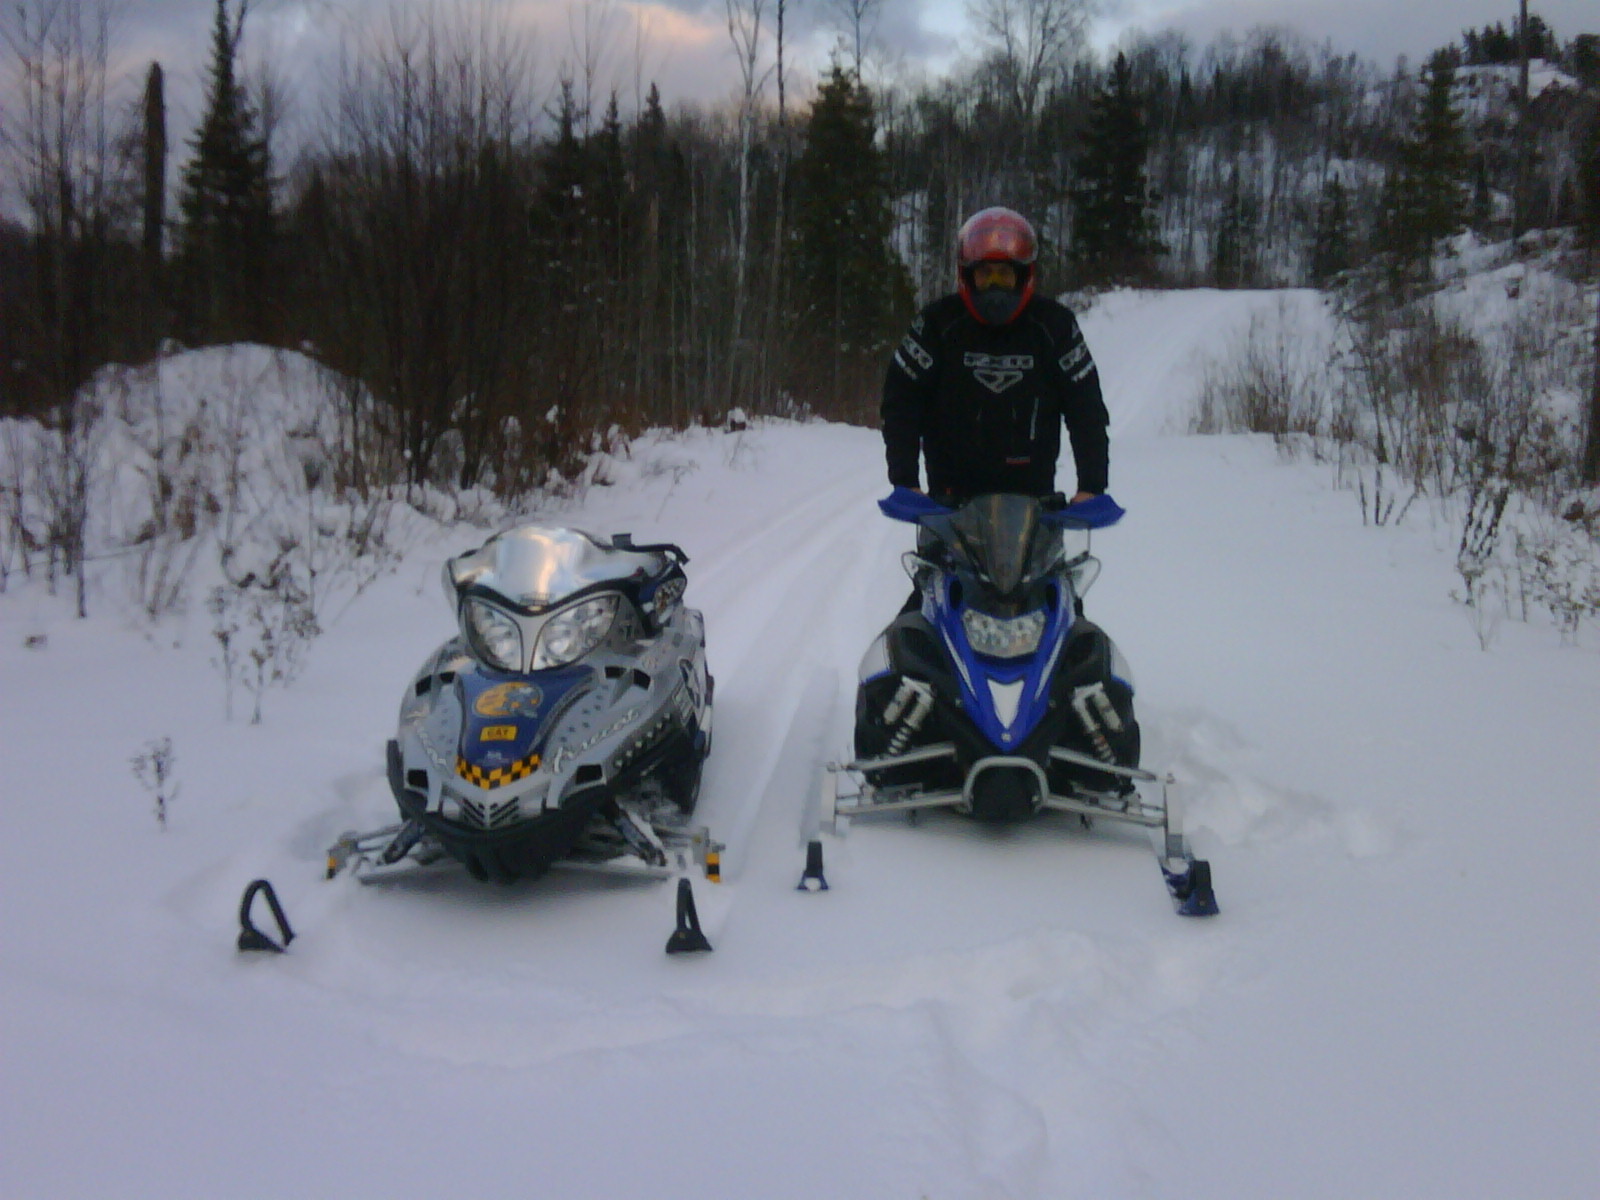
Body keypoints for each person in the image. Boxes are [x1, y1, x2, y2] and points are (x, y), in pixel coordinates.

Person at [881, 206, 1109, 506]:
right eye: (985, 274)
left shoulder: (1055, 326)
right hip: (949, 504)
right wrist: (905, 481)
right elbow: (901, 401)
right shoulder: (937, 324)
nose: (994, 285)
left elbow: (1086, 408)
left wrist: (1091, 486)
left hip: (1033, 505)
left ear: (1023, 275)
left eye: (1004, 274)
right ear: (968, 275)